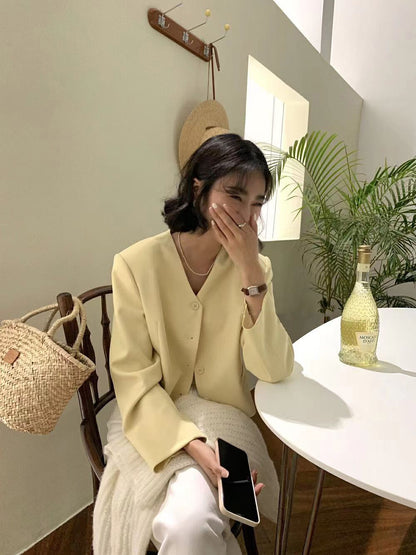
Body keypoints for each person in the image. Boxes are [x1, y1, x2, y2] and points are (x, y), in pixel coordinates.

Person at [99, 133, 294, 554]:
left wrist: (250, 274)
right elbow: (132, 376)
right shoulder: (135, 264)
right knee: (190, 524)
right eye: (235, 195)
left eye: (257, 202)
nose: (246, 214)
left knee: (190, 524)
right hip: (149, 412)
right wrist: (189, 444)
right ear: (198, 189)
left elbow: (275, 368)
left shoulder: (257, 268)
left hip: (224, 415)